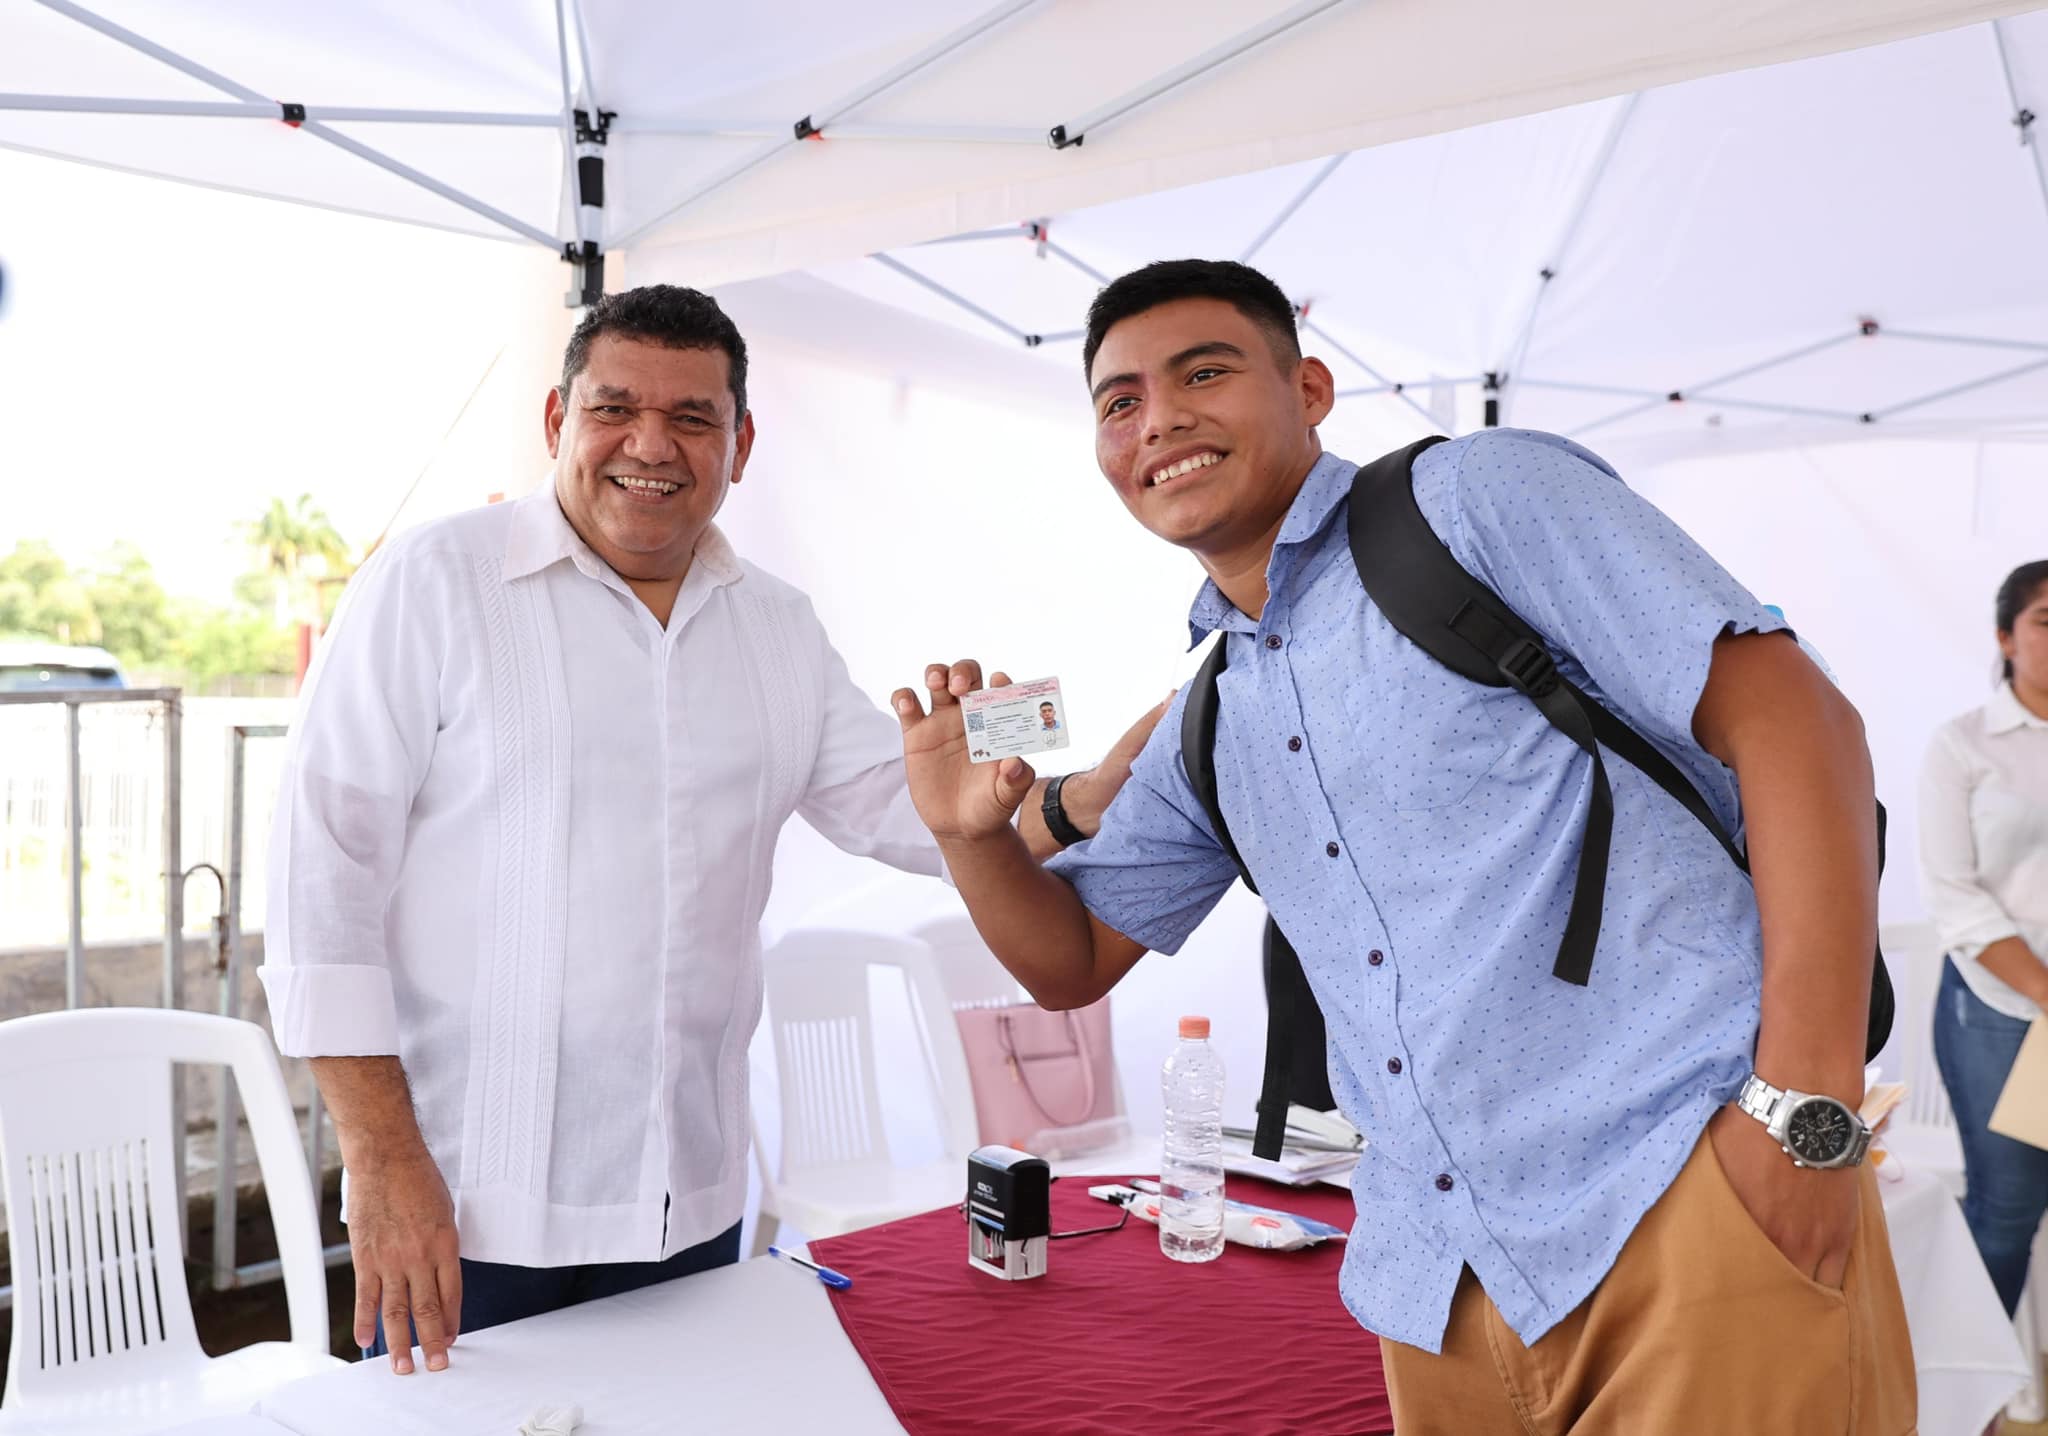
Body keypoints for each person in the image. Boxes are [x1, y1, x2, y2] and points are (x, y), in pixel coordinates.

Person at [893, 259, 1916, 1432]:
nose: (1159, 417)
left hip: (1677, 1195)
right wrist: (962, 836)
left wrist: (1805, 1119)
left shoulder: (1475, 497)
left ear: (1309, 388)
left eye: (1204, 371)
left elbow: (1797, 723)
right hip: (1435, 1285)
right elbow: (1069, 959)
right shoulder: (1212, 710)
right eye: (1118, 400)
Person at [261, 285, 1157, 1374]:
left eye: (692, 417)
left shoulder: (774, 623)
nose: (651, 444)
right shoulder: (434, 582)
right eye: (614, 409)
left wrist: (1068, 797)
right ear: (558, 421)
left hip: (685, 1201)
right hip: (463, 1205)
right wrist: (380, 1156)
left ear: (740, 442)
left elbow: (905, 806)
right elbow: (322, 883)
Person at [1919, 558, 2048, 1317]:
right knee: (2006, 1216)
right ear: (2006, 638)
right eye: (2046, 621)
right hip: (2002, 1008)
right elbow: (1954, 896)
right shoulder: (1964, 745)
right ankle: (1970, 1415)